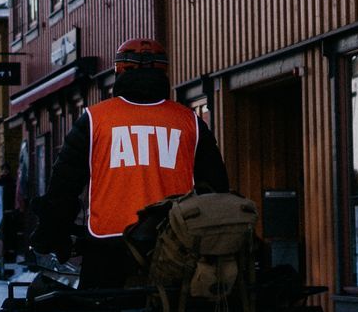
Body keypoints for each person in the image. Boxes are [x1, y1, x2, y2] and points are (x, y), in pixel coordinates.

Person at [33, 38, 231, 288]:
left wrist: (51, 233)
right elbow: (215, 186)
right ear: (163, 71)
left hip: (107, 247)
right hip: (176, 246)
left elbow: (64, 185)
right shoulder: (189, 122)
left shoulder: (96, 120)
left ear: (120, 70)